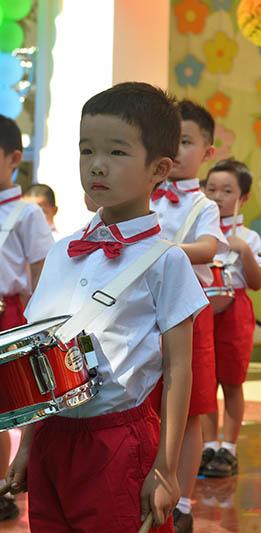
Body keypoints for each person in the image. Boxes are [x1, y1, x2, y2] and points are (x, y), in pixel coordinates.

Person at [6, 82, 208, 531]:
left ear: (159, 168)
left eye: (117, 153)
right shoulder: (62, 252)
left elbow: (179, 371)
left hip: (118, 441)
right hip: (54, 442)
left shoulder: (166, 260)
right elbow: (43, 359)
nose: (96, 165)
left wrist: (166, 468)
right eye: (86, 150)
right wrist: (28, 447)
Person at [150, 99, 227, 532]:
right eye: (170, 140)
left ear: (207, 151)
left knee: (193, 408)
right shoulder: (144, 193)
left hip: (189, 314)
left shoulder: (205, 206)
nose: (176, 150)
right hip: (144, 313)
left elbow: (208, 249)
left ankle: (183, 499)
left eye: (186, 141)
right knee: (147, 401)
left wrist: (156, 250)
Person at [198, 159, 261, 478]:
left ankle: (229, 447)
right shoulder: (200, 231)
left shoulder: (249, 236)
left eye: (227, 190)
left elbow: (256, 283)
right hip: (202, 309)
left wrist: (245, 252)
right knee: (205, 379)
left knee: (233, 381)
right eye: (210, 189)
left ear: (244, 198)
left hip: (235, 311)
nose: (217, 196)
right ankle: (208, 444)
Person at [0, 115, 53, 521]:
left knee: (4, 410)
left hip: (9, 314)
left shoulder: (27, 214)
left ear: (15, 157)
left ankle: (2, 484)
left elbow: (40, 278)